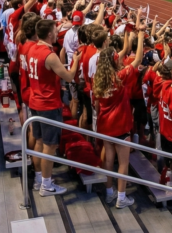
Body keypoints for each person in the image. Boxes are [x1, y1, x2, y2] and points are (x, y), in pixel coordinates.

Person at [94, 18, 146, 209]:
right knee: (123, 163)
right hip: (121, 125)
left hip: (105, 125)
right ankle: (121, 197)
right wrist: (141, 34)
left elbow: (96, 105)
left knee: (109, 160)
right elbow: (138, 60)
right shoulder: (119, 77)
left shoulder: (98, 79)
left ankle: (109, 192)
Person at [27, 18, 82, 197]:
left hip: (35, 101)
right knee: (50, 146)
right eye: (55, 30)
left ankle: (39, 179)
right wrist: (75, 60)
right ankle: (46, 184)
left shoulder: (31, 48)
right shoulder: (49, 55)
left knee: (39, 142)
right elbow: (69, 76)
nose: (58, 32)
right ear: (50, 34)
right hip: (48, 104)